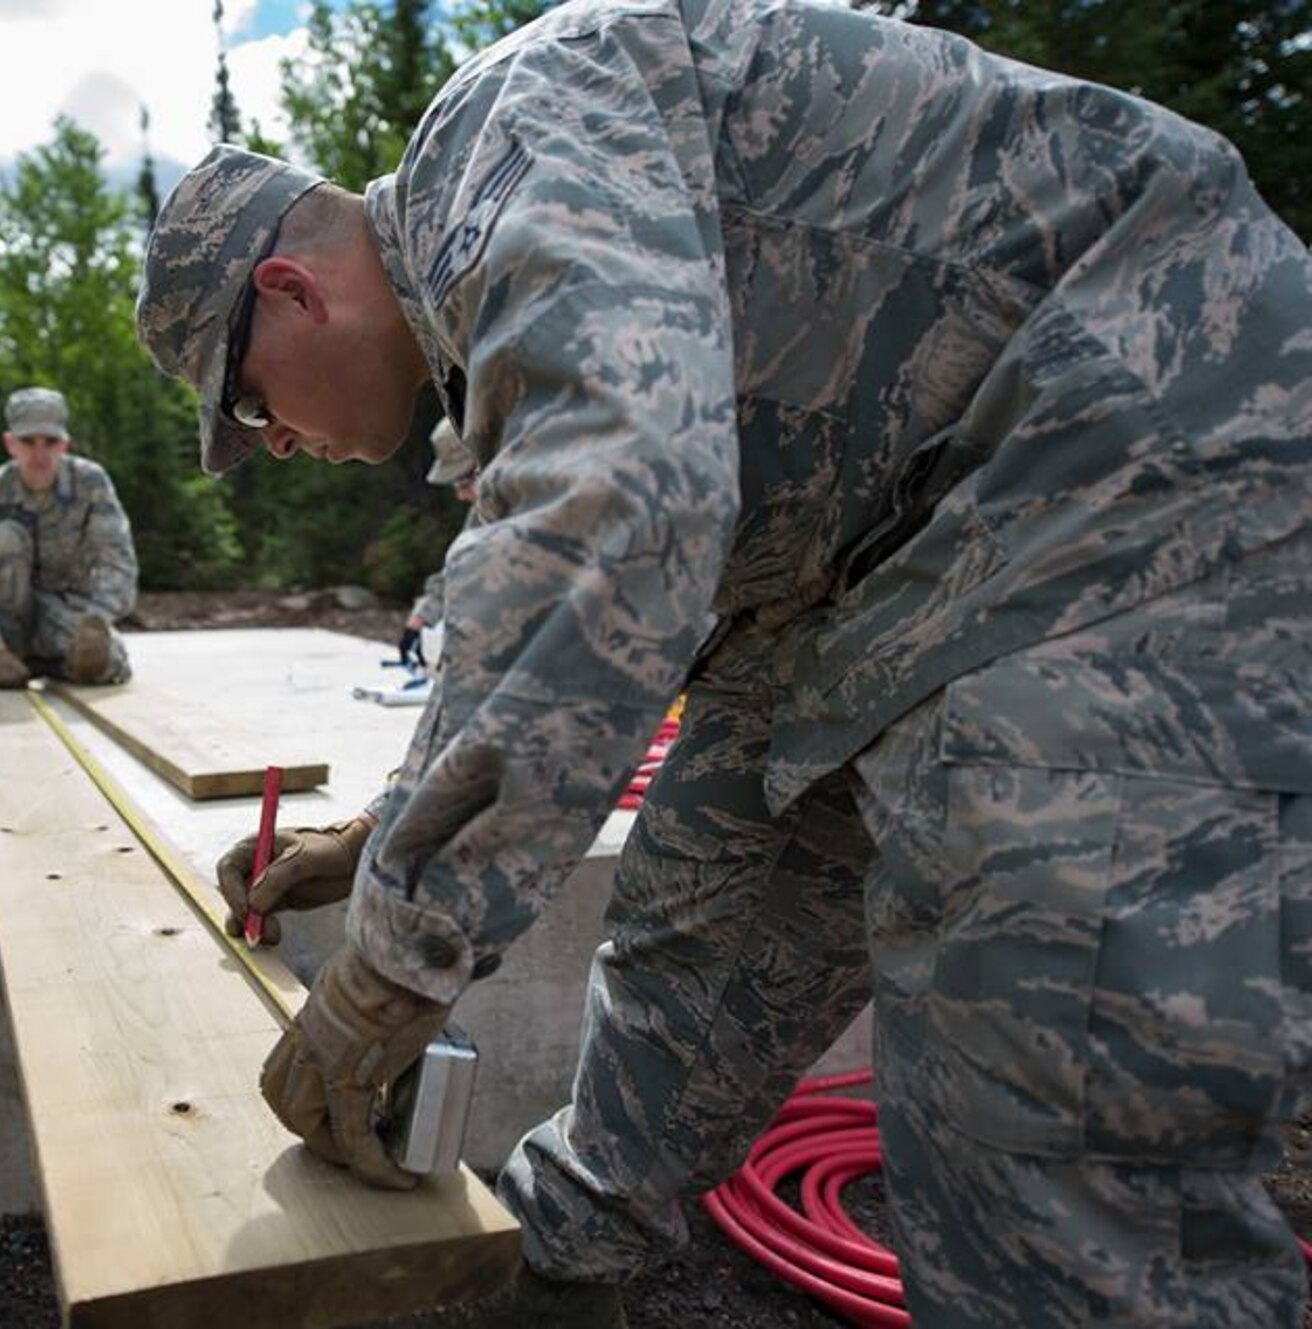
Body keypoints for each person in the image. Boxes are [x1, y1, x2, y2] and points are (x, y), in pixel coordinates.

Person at [135, 1, 1312, 1325]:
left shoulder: (500, 136)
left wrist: (392, 967)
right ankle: (566, 1253)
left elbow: (615, 514)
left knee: (1038, 1109)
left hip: (1135, 449)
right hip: (889, 559)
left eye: (251, 408)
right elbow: (577, 583)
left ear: (290, 293)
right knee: (701, 889)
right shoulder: (499, 293)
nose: (275, 444)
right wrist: (388, 831)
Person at [0, 387, 138, 688]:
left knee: (108, 663)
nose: (40, 453)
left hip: (66, 613)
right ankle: (13, 663)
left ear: (65, 444)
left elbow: (119, 560)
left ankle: (59, 663)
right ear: (10, 444)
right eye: (28, 441)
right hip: (8, 634)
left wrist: (96, 623)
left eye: (50, 441)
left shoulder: (91, 483)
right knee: (4, 537)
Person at [397, 418, 480, 672]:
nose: (461, 494)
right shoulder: (488, 507)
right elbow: (461, 564)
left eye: (465, 480)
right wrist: (421, 618)